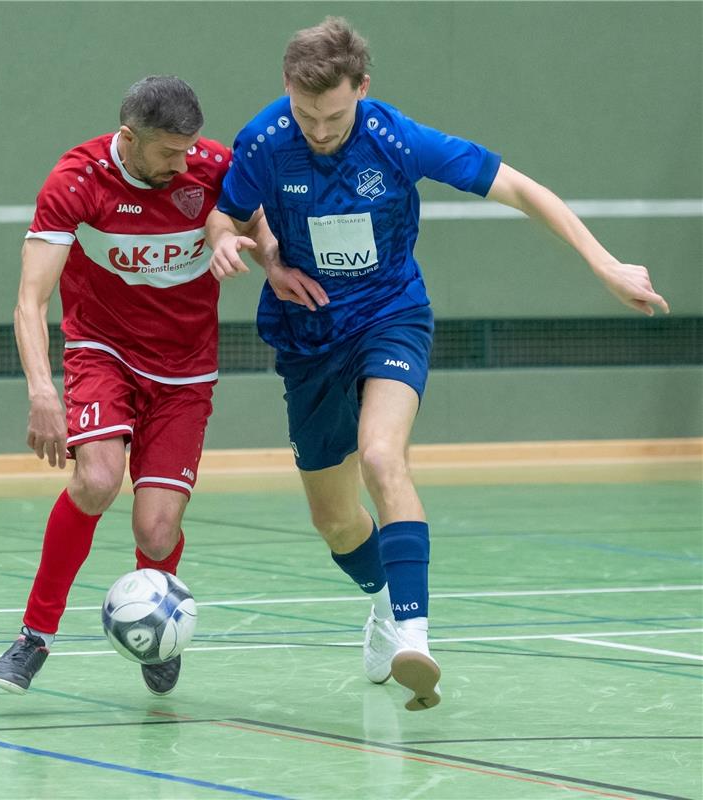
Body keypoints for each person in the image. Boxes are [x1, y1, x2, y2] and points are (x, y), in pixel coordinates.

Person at [206, 17, 669, 712]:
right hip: (308, 334)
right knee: (334, 523)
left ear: (362, 88)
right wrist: (259, 257)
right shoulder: (266, 140)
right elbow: (228, 214)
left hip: (390, 313)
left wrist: (603, 265)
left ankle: (413, 637)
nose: (319, 131)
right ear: (285, 91)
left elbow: (522, 189)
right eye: (307, 114)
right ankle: (385, 601)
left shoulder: (396, 139)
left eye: (333, 116)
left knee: (382, 458)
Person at [0, 76, 233, 696]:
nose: (183, 163)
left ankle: (159, 622)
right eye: (168, 152)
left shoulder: (212, 168)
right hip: (104, 350)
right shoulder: (76, 181)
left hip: (185, 367)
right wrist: (43, 390)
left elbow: (261, 224)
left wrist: (253, 247)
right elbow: (29, 298)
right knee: (96, 479)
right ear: (129, 137)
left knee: (156, 531)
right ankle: (33, 636)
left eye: (189, 149)